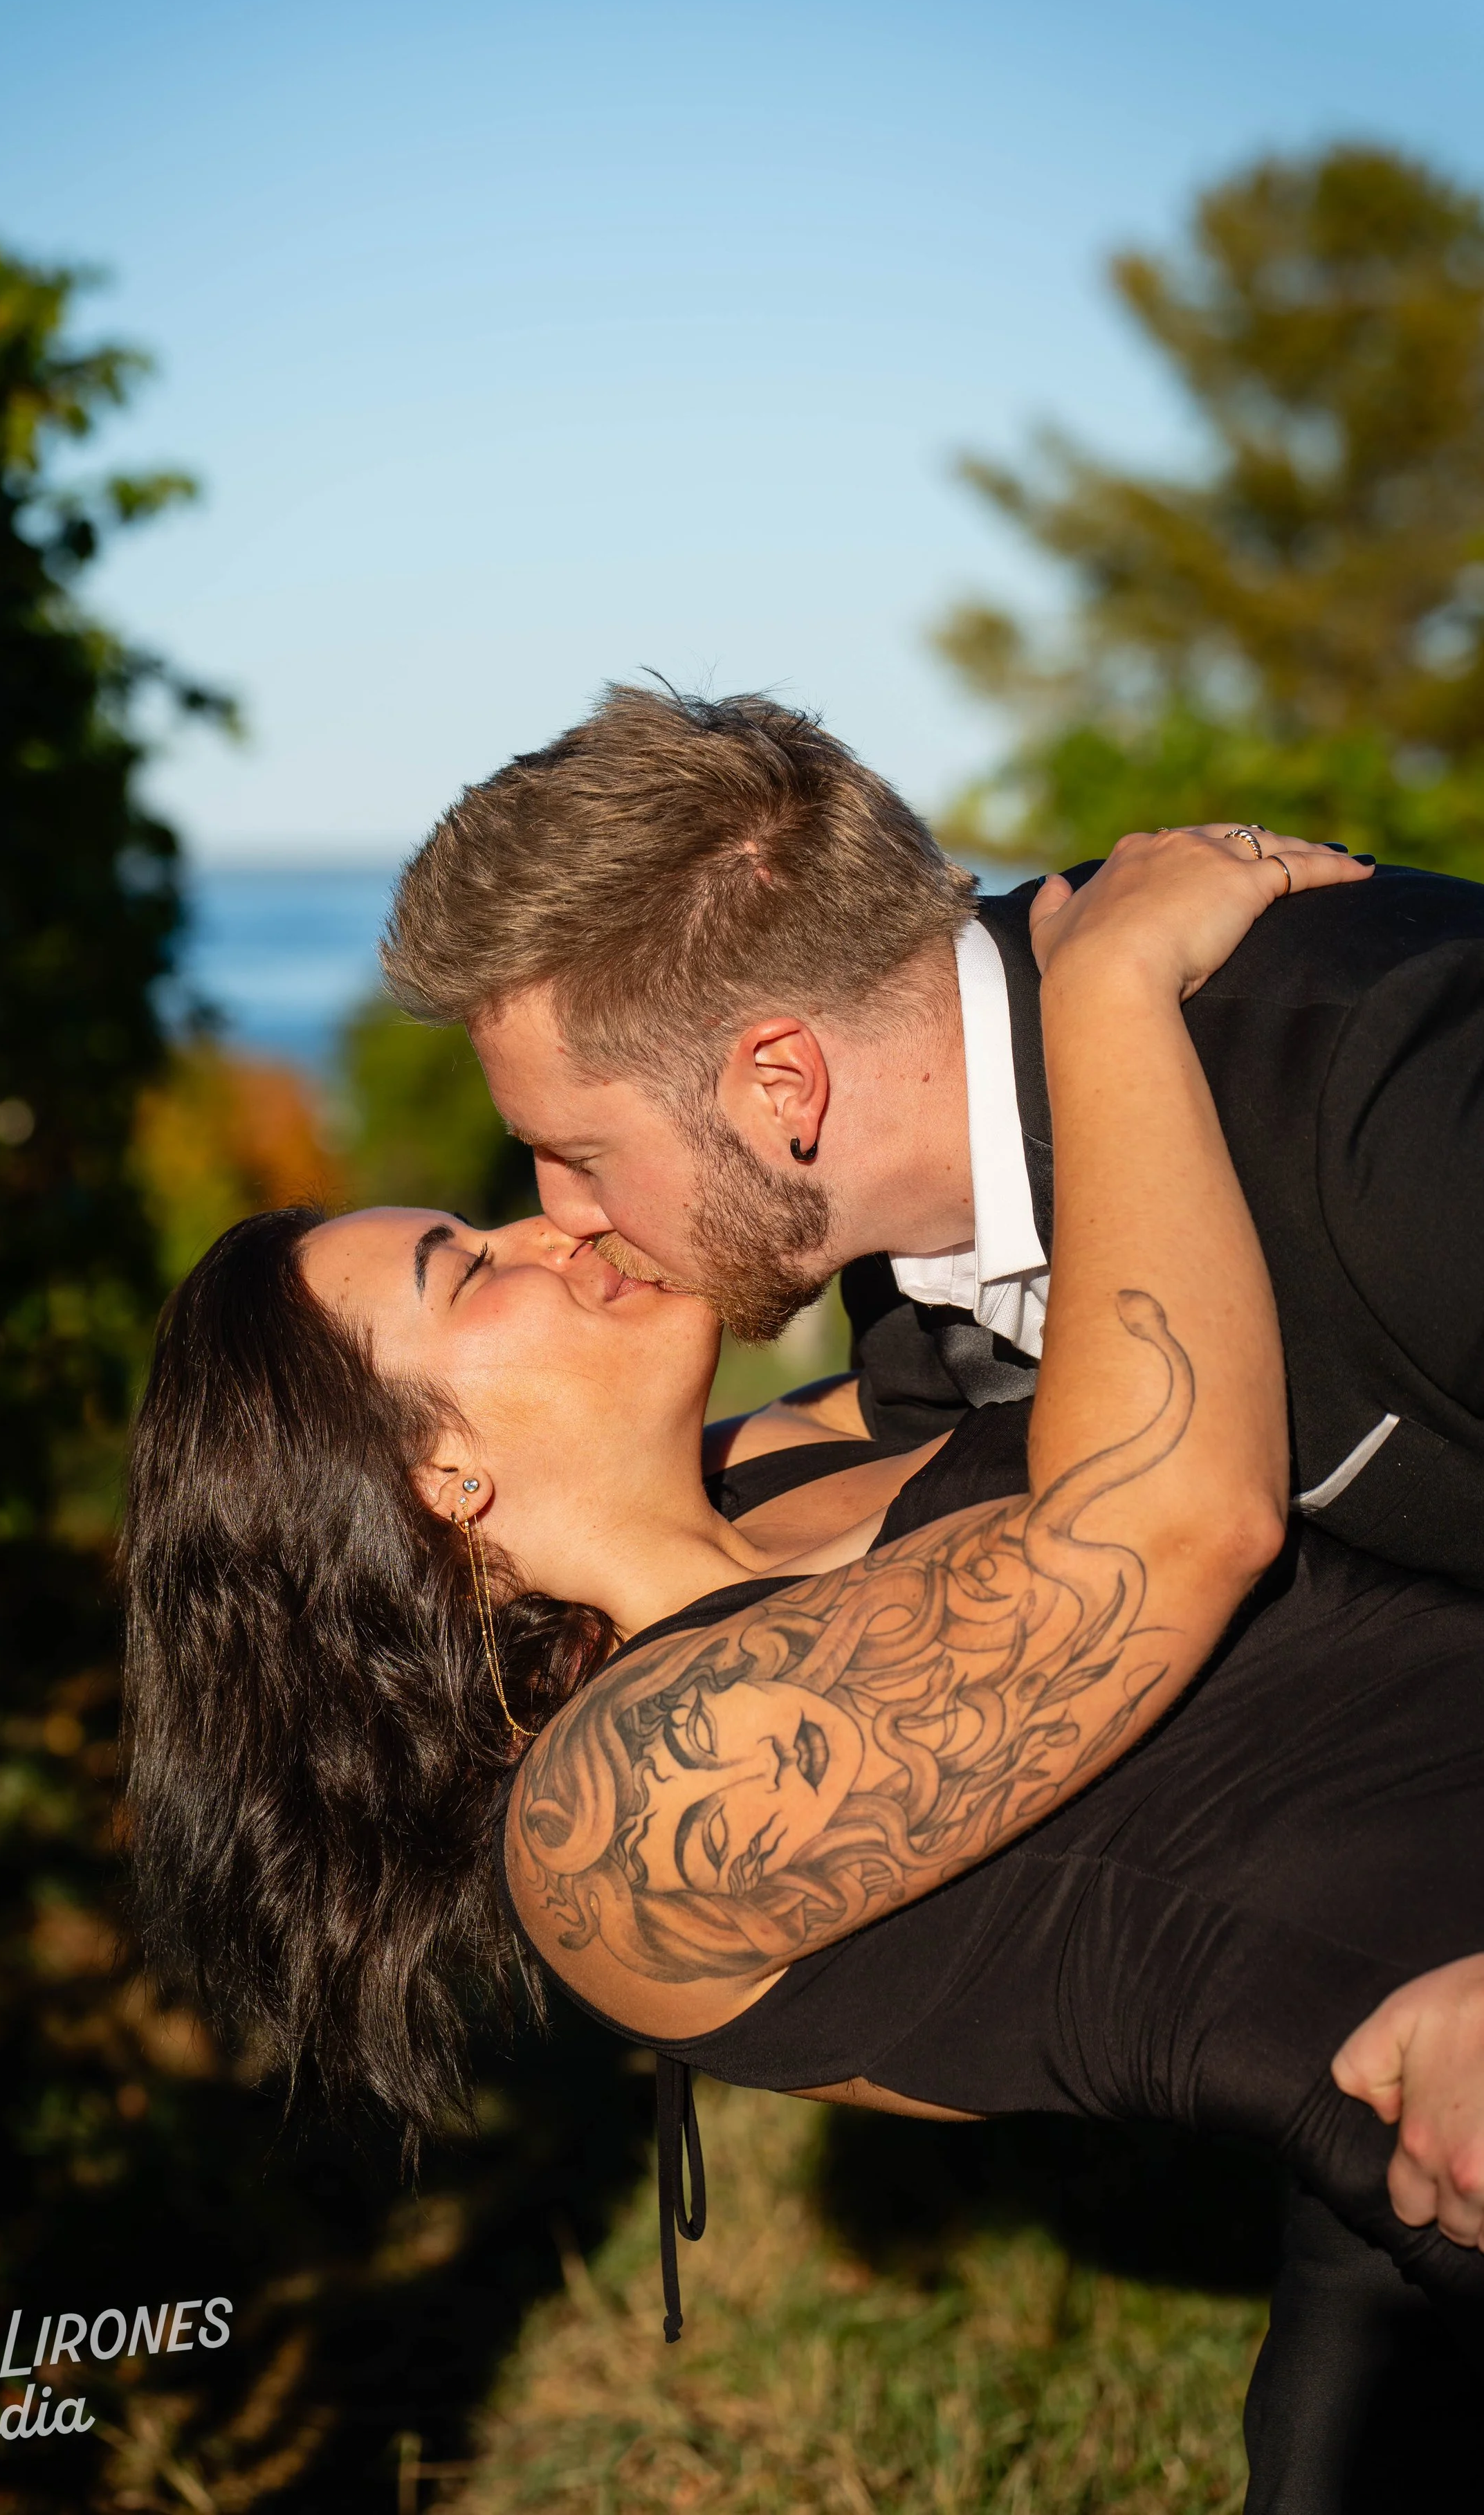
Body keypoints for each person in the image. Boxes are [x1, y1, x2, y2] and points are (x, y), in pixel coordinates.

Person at [124, 833, 1481, 2512]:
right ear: (434, 1483)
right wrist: (1106, 987)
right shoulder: (616, 1819)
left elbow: (991, 1230)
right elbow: (1166, 1519)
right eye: (465, 1271)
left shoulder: (776, 1466)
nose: (550, 1225)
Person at [380, 682, 1484, 2288]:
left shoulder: (1379, 1089)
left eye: (576, 1152)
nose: (563, 1216)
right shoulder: (915, 1303)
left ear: (779, 1085)